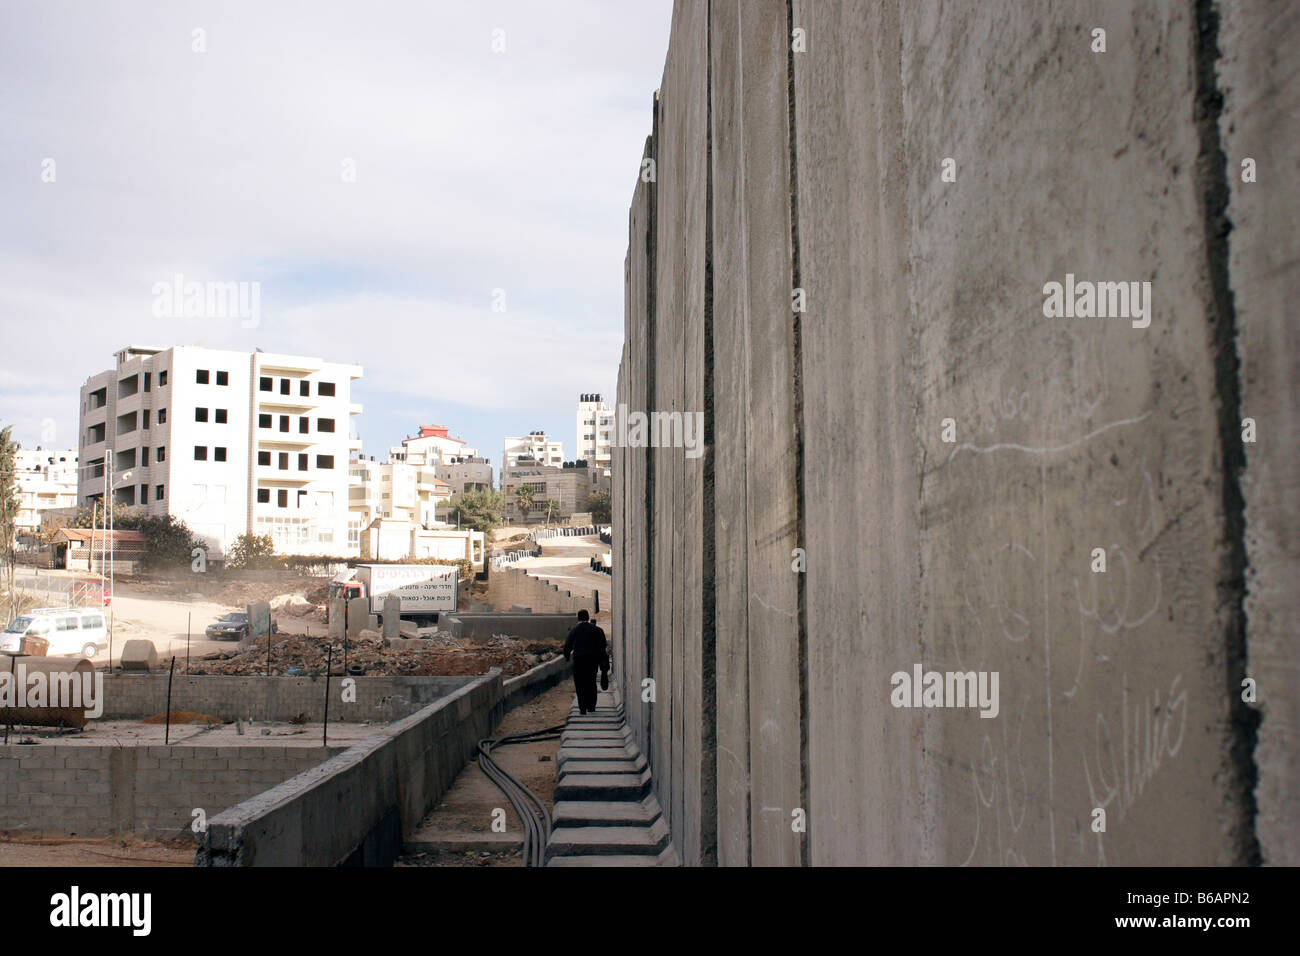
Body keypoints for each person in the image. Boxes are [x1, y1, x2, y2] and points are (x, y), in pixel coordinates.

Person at [562, 609, 609, 715]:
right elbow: (603, 647)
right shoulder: (597, 630)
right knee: (591, 682)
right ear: (588, 618)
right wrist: (603, 662)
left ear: (578, 618)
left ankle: (582, 708)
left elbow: (567, 645)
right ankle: (591, 706)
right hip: (592, 661)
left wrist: (566, 656)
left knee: (580, 684)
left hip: (579, 661)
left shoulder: (574, 630)